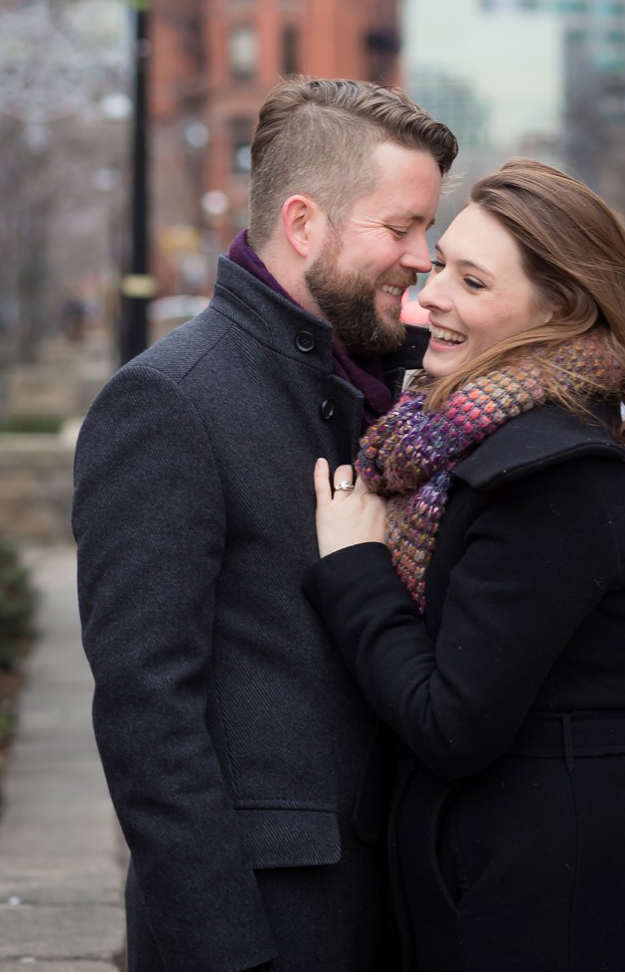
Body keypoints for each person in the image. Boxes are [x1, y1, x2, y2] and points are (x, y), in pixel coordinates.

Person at [73, 79, 459, 970]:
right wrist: (227, 955)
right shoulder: (169, 402)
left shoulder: (404, 397)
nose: (424, 255)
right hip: (269, 922)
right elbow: (146, 715)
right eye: (400, 227)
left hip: (401, 903)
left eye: (427, 228)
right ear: (302, 222)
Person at [305, 158, 625, 972]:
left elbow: (452, 722)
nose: (432, 295)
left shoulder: (549, 474)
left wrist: (356, 563)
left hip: (544, 910)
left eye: (472, 282)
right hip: (498, 880)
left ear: (559, 311)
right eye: (441, 262)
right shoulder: (461, 446)